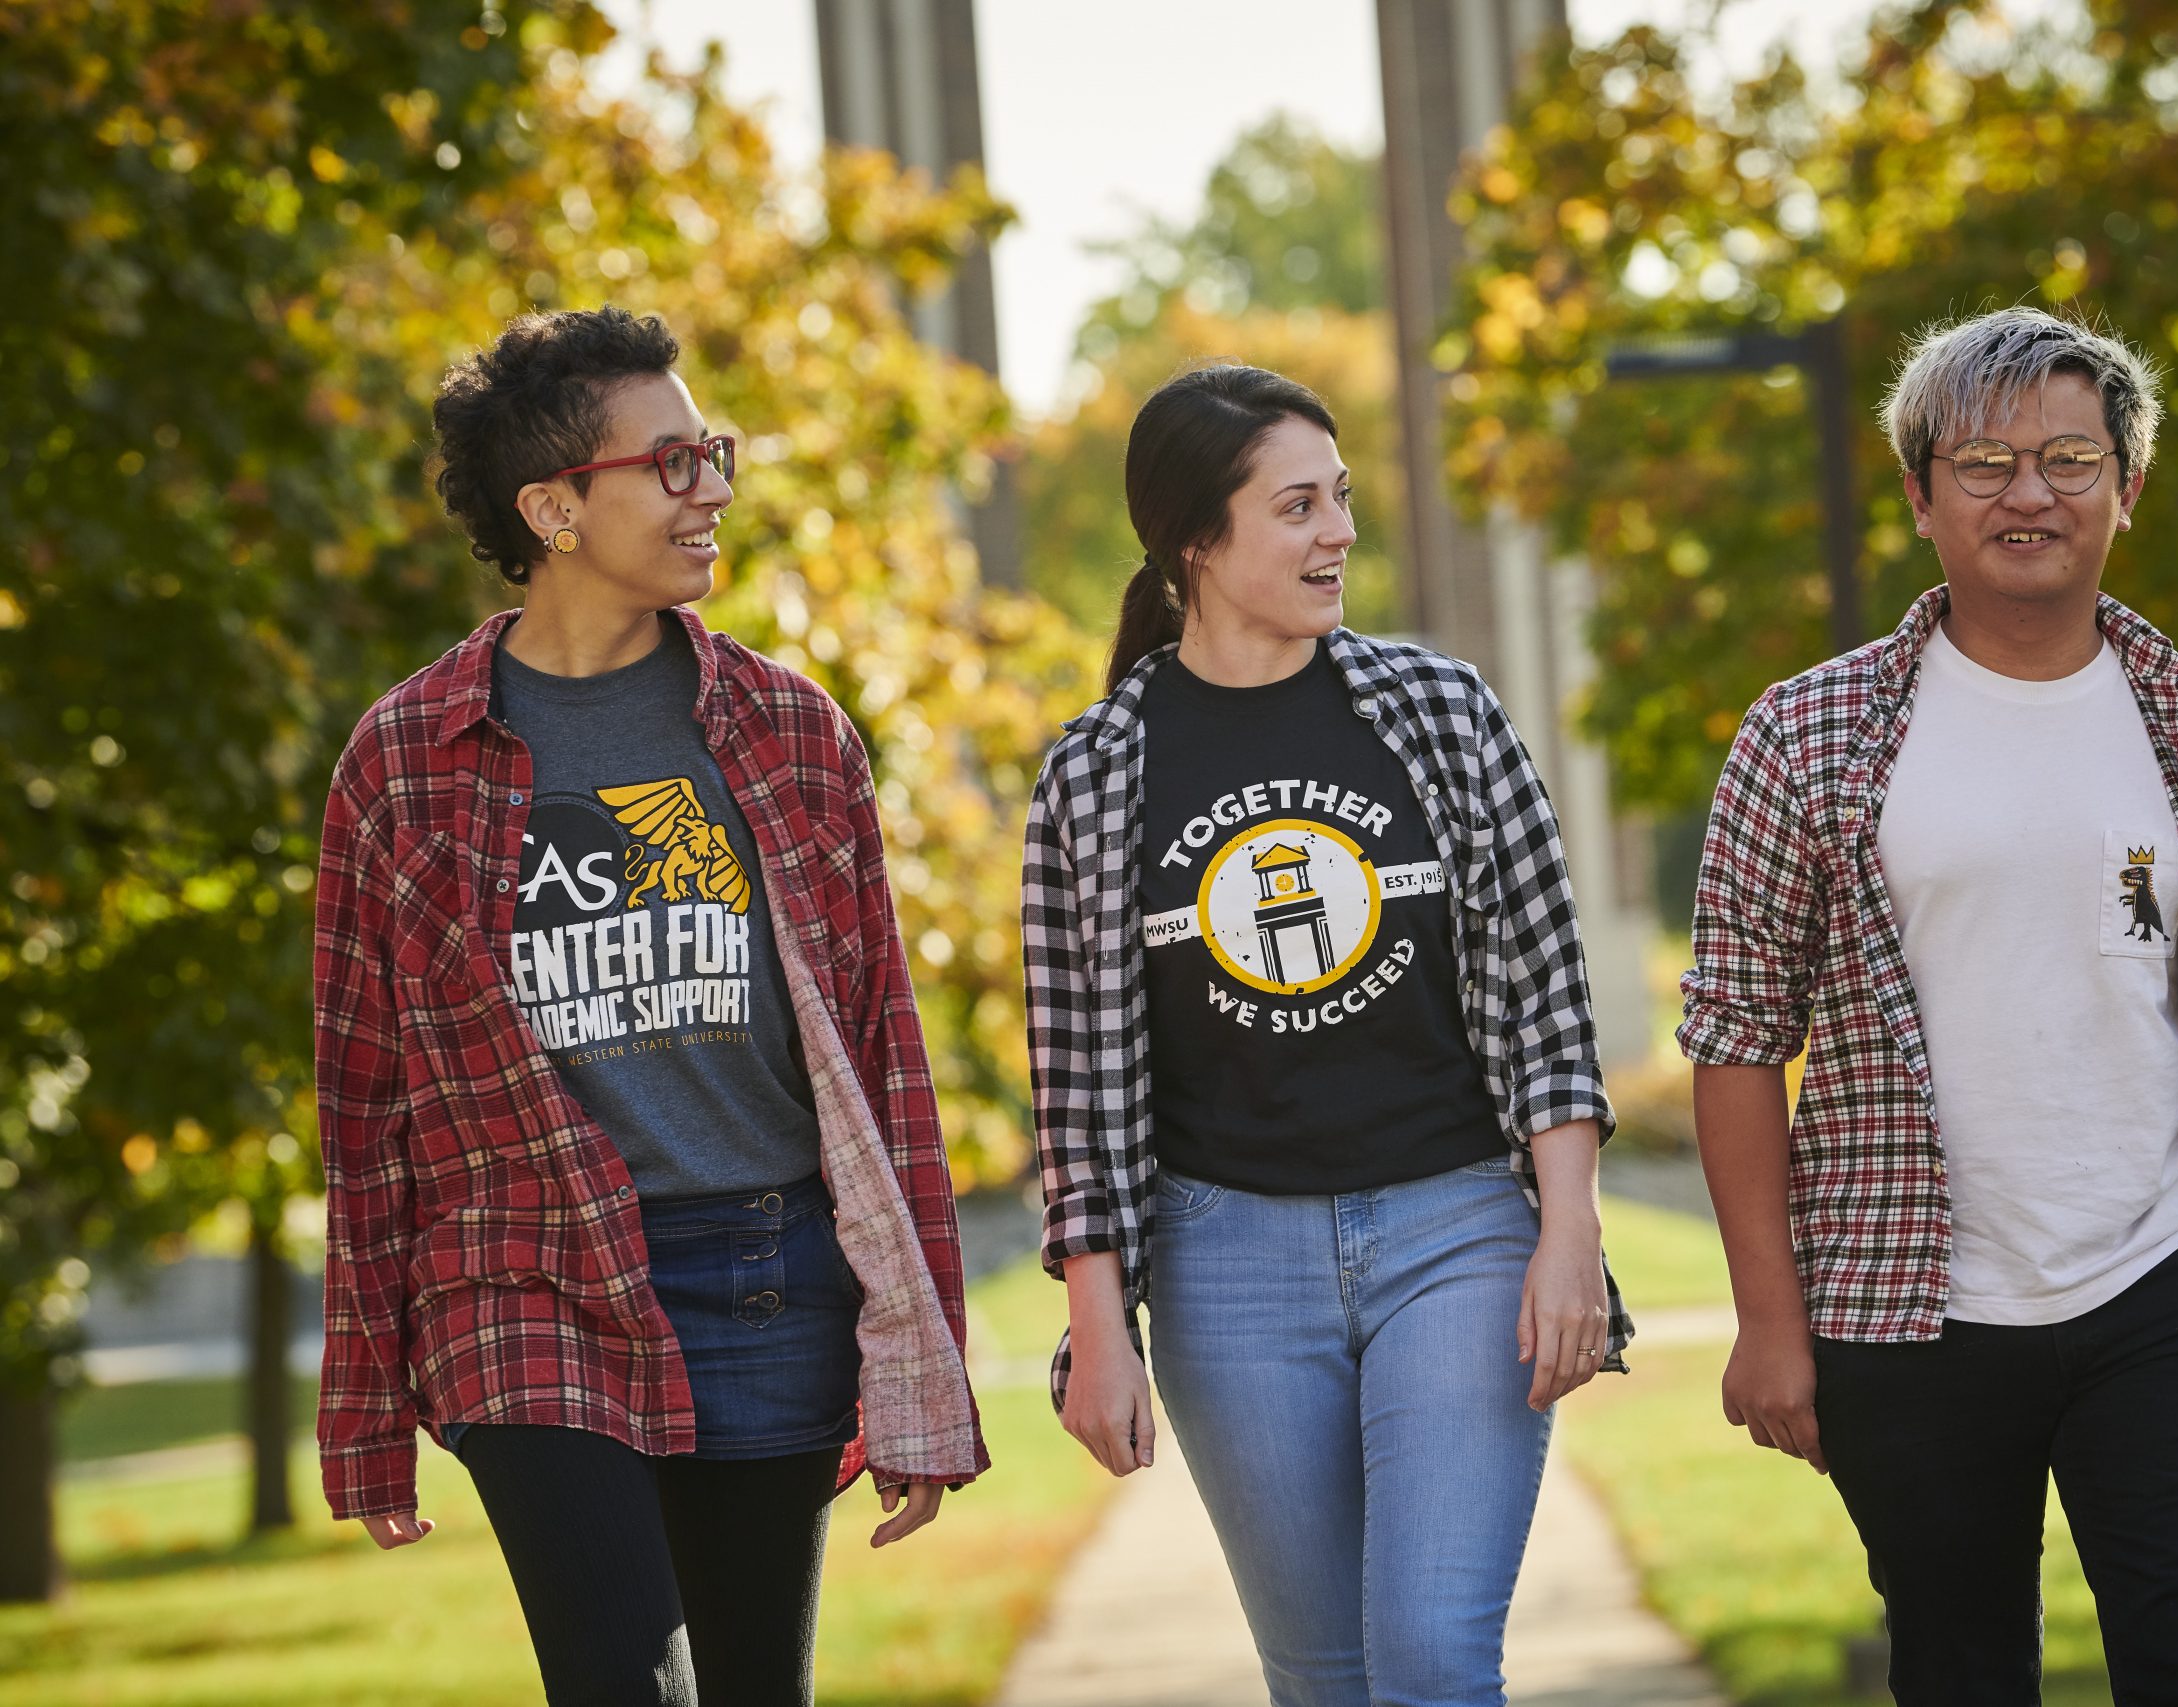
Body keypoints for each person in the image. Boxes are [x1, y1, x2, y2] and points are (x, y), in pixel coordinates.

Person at [1681, 305, 2178, 1706]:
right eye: (1985, 464)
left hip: (2171, 1286)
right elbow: (1739, 1034)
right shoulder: (1805, 737)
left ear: (2127, 489)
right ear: (1922, 496)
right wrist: (1769, 1319)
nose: (2031, 494)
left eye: (2069, 458)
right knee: (1960, 1677)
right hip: (1906, 1311)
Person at [313, 306, 985, 1707]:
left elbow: (880, 1058)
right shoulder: (403, 761)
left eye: (714, 454)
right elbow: (364, 1102)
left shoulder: (791, 729)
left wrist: (924, 1365)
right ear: (555, 506)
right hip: (523, 1277)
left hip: (763, 1271)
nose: (714, 490)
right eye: (671, 464)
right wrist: (369, 1404)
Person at [1020, 363, 1632, 1705]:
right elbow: (1080, 1079)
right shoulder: (1097, 769)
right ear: (1195, 538)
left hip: (1456, 1233)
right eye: (1297, 506)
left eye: (1341, 500)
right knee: (1322, 1678)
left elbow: (1544, 988)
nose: (1339, 533)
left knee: (1429, 1654)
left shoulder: (1440, 711)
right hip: (1227, 1261)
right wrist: (1098, 1319)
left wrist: (1570, 1229)